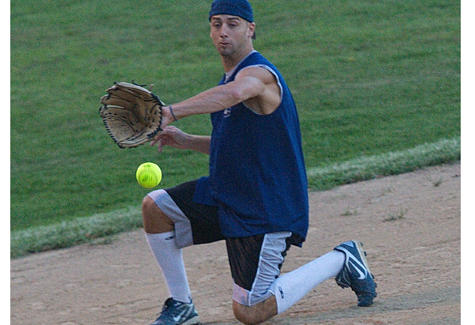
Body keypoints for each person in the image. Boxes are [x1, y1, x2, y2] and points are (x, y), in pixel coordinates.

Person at [141, 1, 377, 324]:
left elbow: (238, 93)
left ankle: (341, 259)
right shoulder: (227, 82)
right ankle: (181, 306)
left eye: (233, 24)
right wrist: (185, 140)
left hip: (264, 209)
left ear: (251, 29)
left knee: (250, 310)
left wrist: (172, 111)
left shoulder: (259, 75)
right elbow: (235, 145)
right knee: (155, 208)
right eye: (216, 24)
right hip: (228, 195)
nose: (223, 32)